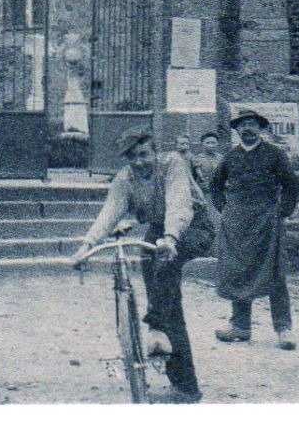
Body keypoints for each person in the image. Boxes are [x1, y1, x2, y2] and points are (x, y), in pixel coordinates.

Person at [72, 128, 208, 403]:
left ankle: (158, 332)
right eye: (132, 157)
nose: (139, 161)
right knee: (164, 296)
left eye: (144, 154)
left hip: (193, 226)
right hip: (159, 230)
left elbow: (179, 203)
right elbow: (110, 211)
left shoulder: (173, 165)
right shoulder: (126, 178)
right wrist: (86, 245)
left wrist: (170, 238)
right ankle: (181, 380)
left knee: (166, 275)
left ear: (154, 150)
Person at [212, 109, 299, 350]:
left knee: (275, 272)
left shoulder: (275, 154)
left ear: (260, 128)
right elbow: (215, 187)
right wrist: (227, 211)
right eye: (242, 125)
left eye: (251, 124)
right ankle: (240, 326)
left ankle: (283, 329)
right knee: (238, 270)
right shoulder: (231, 157)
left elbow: (292, 185)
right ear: (237, 130)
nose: (247, 129)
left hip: (266, 221)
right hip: (238, 223)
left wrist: (282, 211)